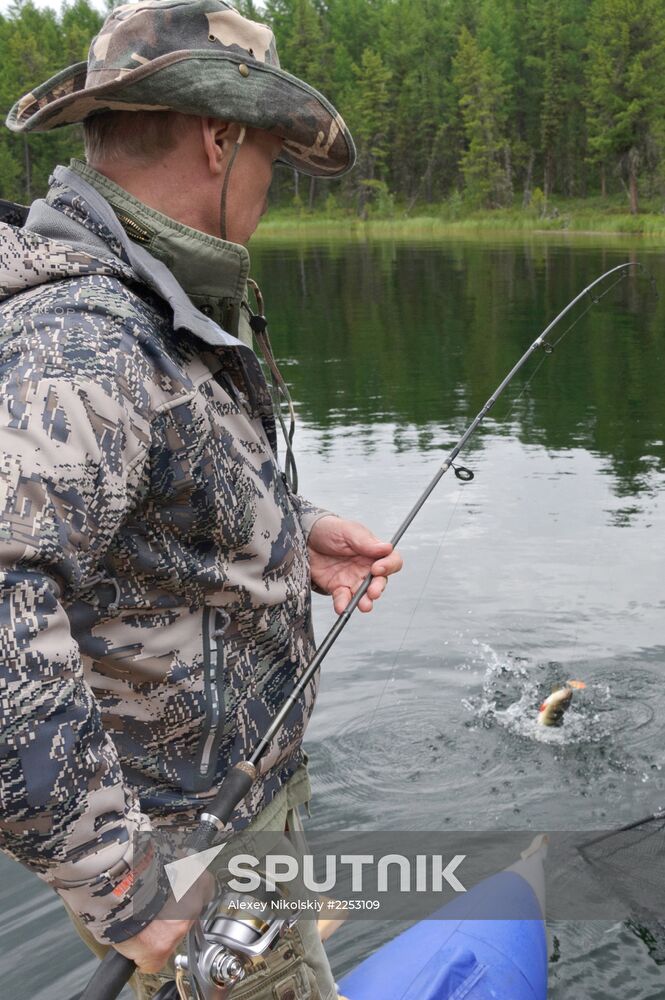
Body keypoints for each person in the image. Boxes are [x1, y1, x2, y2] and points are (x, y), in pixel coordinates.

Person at [0, 2, 402, 998]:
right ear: (220, 140)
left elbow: (128, 506)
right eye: (268, 156)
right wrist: (124, 884)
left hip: (225, 832)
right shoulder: (86, 338)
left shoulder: (143, 311)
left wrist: (286, 538)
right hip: (184, 864)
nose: (269, 190)